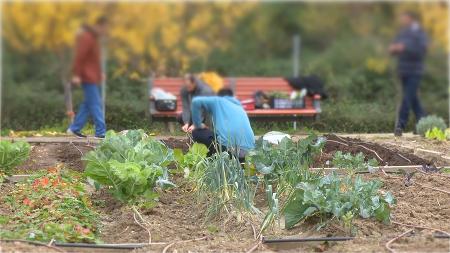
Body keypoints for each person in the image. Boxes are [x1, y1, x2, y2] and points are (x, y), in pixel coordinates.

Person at [67, 16, 108, 139]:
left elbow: (94, 59)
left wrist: (100, 72)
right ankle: (100, 132)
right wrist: (77, 75)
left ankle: (75, 128)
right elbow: (80, 57)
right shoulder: (87, 37)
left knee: (88, 104)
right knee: (95, 103)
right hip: (87, 75)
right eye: (104, 28)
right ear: (98, 26)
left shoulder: (93, 38)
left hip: (92, 75)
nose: (105, 31)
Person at [389, 11, 428, 137]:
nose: (402, 21)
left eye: (404, 18)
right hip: (403, 70)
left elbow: (421, 51)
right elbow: (395, 47)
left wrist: (405, 47)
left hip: (415, 71)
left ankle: (400, 125)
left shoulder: (419, 33)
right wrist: (393, 49)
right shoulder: (402, 33)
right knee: (413, 99)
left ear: (410, 18)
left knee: (407, 98)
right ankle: (423, 125)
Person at [189, 88, 255, 160]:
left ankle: (211, 160)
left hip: (229, 152)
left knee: (197, 132)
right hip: (249, 154)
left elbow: (196, 101)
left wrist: (197, 124)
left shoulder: (218, 101)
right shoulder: (239, 107)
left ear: (218, 96)